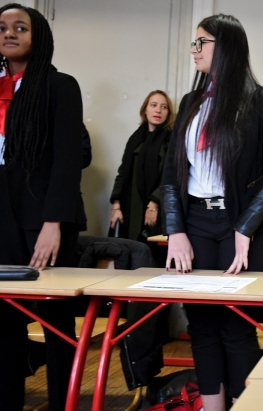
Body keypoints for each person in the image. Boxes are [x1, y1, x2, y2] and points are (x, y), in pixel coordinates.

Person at [161, 14, 263, 410]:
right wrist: (175, 230)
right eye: (194, 43)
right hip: (196, 223)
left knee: (235, 326)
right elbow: (171, 176)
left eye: (202, 43)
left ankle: (241, 405)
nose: (193, 50)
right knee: (201, 325)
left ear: (227, 47)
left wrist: (246, 226)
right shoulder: (190, 103)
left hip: (242, 226)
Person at [0, 3, 83, 410]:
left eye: (20, 27)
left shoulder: (60, 86)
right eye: (2, 28)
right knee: (4, 325)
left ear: (40, 37)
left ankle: (61, 404)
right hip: (2, 220)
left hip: (43, 219)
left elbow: (68, 162)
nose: (9, 33)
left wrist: (54, 223)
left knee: (55, 325)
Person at [109, 90, 174, 242]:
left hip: (158, 208)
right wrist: (116, 206)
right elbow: (122, 173)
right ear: (145, 110)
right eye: (154, 105)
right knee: (127, 253)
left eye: (164, 107)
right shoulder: (135, 139)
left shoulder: (171, 141)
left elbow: (171, 175)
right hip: (130, 208)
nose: (158, 110)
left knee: (152, 255)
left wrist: (153, 205)